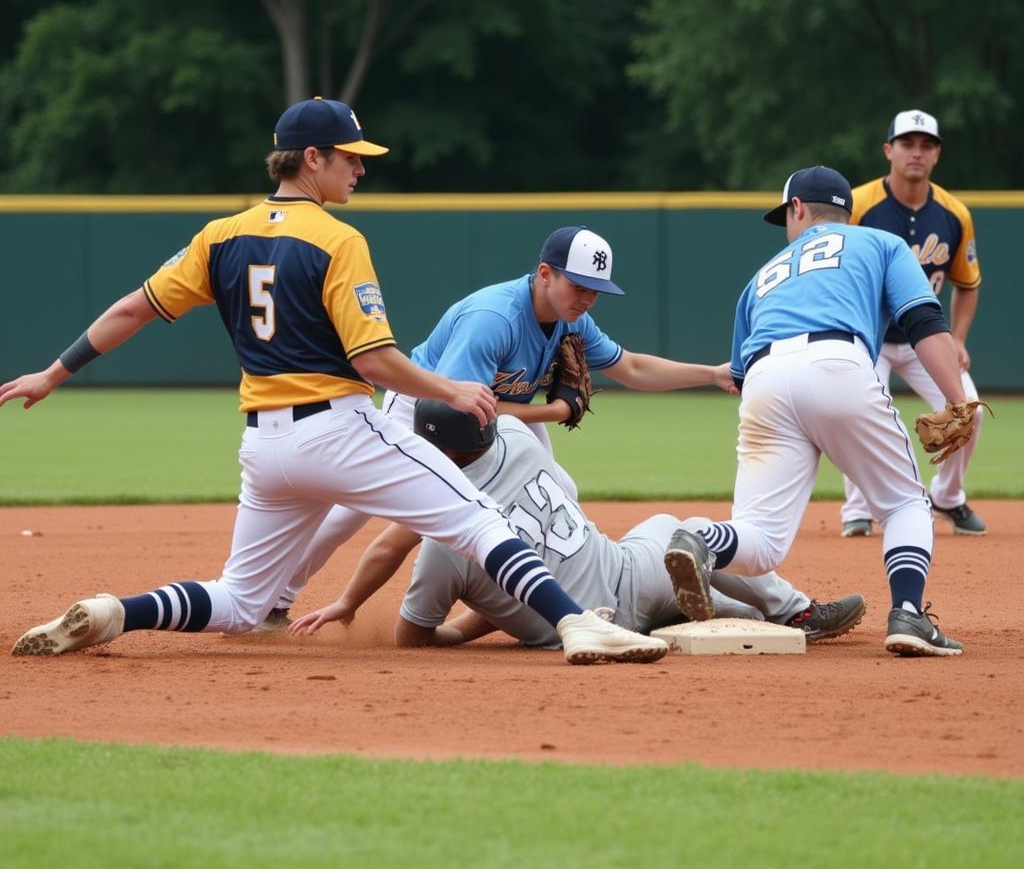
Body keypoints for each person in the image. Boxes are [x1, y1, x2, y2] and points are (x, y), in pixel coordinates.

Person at [4, 96, 668, 666]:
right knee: (480, 515)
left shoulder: (219, 236)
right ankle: (579, 624)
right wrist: (451, 390)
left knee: (241, 600)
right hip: (336, 428)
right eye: (350, 155)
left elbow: (132, 308)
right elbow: (376, 360)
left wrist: (54, 372)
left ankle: (115, 612)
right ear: (311, 157)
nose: (360, 166)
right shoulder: (336, 240)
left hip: (264, 449)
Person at [263, 222, 749, 622]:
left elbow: (631, 368)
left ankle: (532, 596)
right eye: (579, 286)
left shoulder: (572, 318)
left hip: (495, 414)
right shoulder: (492, 319)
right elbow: (459, 407)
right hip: (428, 412)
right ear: (544, 274)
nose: (587, 299)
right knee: (351, 513)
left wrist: (710, 373)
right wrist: (554, 412)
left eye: (596, 291)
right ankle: (277, 600)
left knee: (559, 489)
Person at [670, 165, 971, 658]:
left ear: (797, 209)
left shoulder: (760, 278)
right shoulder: (880, 242)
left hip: (765, 381)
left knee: (762, 542)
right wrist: (956, 399)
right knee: (903, 504)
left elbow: (742, 375)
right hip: (837, 364)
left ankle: (700, 537)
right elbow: (922, 320)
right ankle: (910, 616)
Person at [289, 400, 866, 648]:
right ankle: (791, 613)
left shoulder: (446, 544)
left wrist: (494, 618)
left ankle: (751, 623)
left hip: (579, 628)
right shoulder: (516, 435)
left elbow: (412, 637)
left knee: (695, 599)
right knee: (678, 530)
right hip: (633, 575)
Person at [840, 110, 985, 537]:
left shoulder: (954, 213)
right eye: (907, 144)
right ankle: (857, 509)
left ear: (937, 154)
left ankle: (948, 496)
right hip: (869, 335)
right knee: (857, 408)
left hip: (926, 337)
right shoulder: (858, 204)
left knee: (969, 410)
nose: (916, 153)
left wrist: (957, 338)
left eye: (926, 145)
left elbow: (968, 282)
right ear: (889, 150)